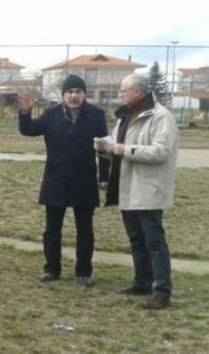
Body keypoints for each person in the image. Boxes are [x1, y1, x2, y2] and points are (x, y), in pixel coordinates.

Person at [94, 73, 179, 310]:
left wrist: (125, 149)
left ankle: (162, 291)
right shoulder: (125, 116)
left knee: (155, 243)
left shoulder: (161, 117)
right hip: (127, 187)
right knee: (136, 240)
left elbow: (161, 152)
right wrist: (103, 147)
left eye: (124, 90)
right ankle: (142, 282)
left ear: (139, 92)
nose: (121, 94)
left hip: (149, 190)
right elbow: (116, 145)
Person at [17, 74, 110, 287]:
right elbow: (28, 130)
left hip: (85, 180)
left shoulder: (96, 115)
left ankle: (84, 272)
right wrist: (25, 113)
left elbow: (104, 147)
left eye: (78, 92)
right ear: (63, 95)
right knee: (52, 229)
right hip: (56, 179)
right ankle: (52, 269)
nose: (74, 96)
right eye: (70, 92)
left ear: (84, 94)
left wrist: (104, 176)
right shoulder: (51, 115)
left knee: (85, 230)